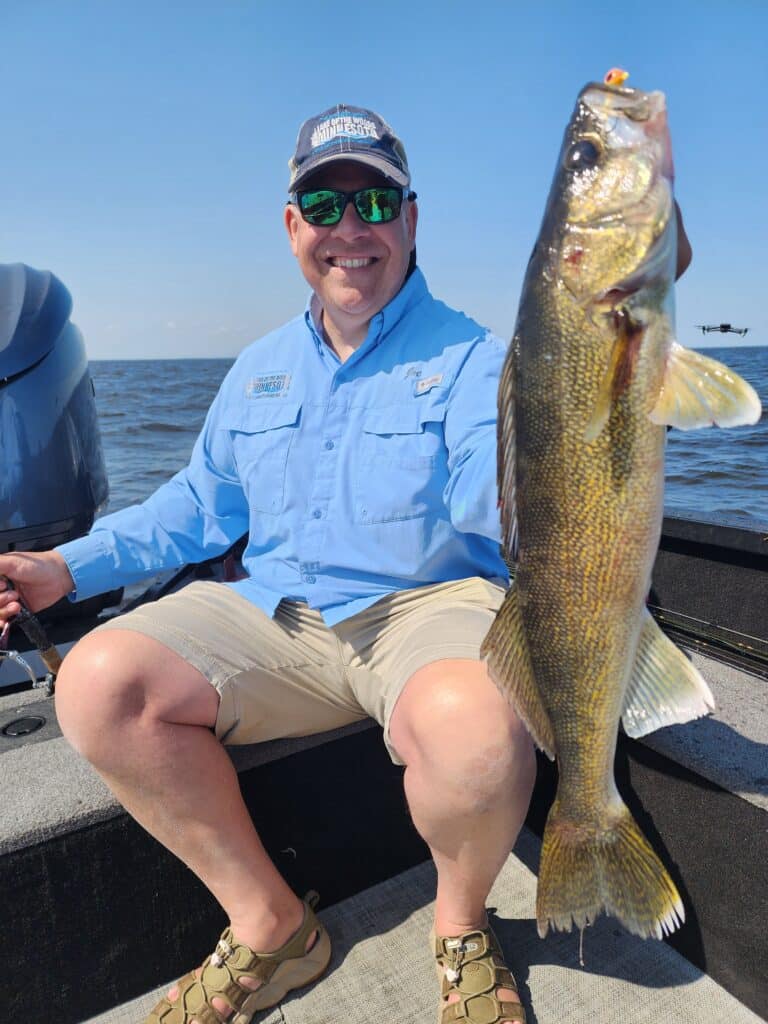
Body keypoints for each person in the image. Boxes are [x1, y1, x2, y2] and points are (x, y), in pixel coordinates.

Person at [0, 104, 691, 1024]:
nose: (350, 226)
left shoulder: (485, 359)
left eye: (376, 201)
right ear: (294, 228)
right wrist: (64, 569)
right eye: (324, 202)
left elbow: (518, 507)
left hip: (425, 608)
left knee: (479, 731)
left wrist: (645, 280)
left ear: (411, 218)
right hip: (276, 615)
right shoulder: (255, 369)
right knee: (97, 682)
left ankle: (460, 927)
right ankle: (273, 925)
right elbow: (200, 508)